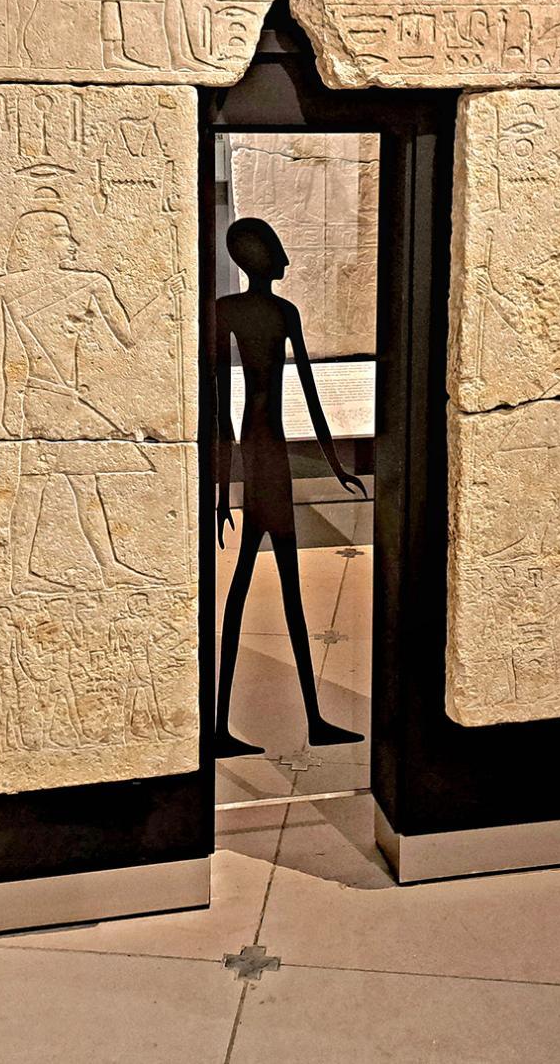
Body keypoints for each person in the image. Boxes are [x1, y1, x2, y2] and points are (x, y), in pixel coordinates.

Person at [211, 217, 366, 757]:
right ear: (257, 257)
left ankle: (298, 722)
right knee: (264, 591)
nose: (285, 260)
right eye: (276, 250)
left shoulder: (264, 312)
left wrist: (334, 464)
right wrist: (223, 491)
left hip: (265, 454)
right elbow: (220, 404)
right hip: (264, 455)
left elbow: (304, 393)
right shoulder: (253, 312)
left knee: (262, 589)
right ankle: (233, 728)